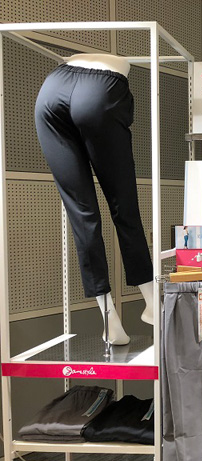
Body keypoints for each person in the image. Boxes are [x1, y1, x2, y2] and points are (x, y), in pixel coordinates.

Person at [35, 53, 155, 346]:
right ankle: (153, 302)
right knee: (124, 207)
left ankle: (108, 319)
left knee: (82, 214)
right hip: (101, 88)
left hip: (52, 89)